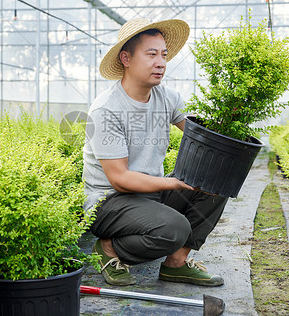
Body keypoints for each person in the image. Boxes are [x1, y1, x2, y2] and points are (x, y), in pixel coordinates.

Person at [82, 18, 228, 287]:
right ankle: (110, 249)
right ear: (126, 58)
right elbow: (120, 179)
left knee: (216, 182)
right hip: (110, 202)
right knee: (175, 228)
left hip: (151, 196)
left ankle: (176, 263)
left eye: (164, 55)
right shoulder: (106, 109)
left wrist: (232, 111)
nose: (161, 62)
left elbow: (203, 137)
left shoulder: (167, 97)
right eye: (151, 54)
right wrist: (172, 182)